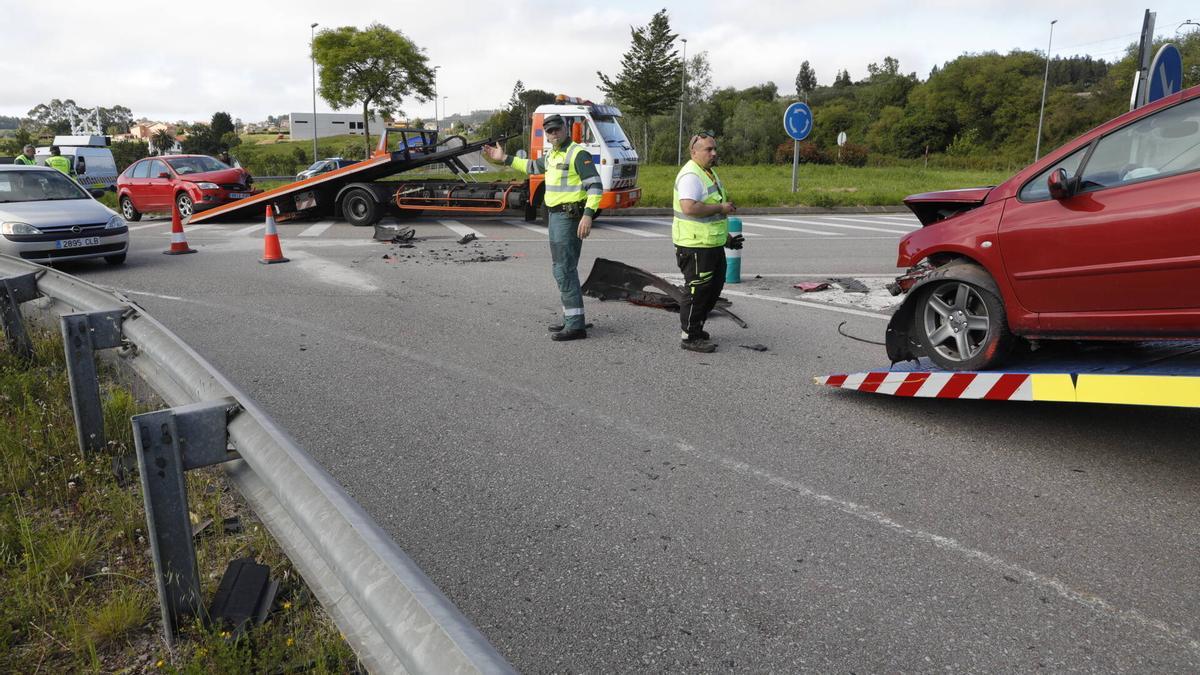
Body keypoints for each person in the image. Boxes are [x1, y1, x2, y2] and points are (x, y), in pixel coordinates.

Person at [483, 114, 602, 341]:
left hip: (568, 218)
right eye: (549, 132)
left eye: (557, 130)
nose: (553, 134)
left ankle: (576, 325)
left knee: (563, 270)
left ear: (565, 129)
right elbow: (531, 166)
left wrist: (588, 216)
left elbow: (595, 186)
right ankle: (572, 318)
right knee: (565, 269)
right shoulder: (552, 155)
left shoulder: (577, 153)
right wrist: (505, 158)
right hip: (556, 217)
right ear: (546, 134)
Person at [672, 132, 742, 353]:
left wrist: (727, 239)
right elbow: (689, 208)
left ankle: (697, 327)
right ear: (694, 152)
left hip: (710, 244)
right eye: (708, 150)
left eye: (714, 149)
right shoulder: (691, 175)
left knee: (713, 289)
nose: (714, 153)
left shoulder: (708, 173)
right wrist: (721, 208)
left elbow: (712, 217)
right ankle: (690, 336)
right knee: (697, 291)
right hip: (694, 245)